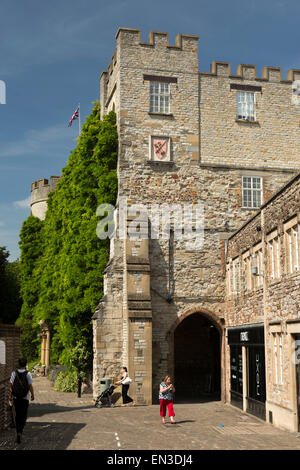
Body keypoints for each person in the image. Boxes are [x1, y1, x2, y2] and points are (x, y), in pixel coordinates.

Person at [9, 358, 34, 444]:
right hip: (25, 398)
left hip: (16, 398)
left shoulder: (13, 373)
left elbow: (11, 386)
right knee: (23, 416)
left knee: (17, 415)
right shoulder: (28, 374)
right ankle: (20, 431)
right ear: (26, 364)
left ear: (18, 364)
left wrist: (10, 396)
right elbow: (30, 385)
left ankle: (18, 432)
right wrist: (32, 395)